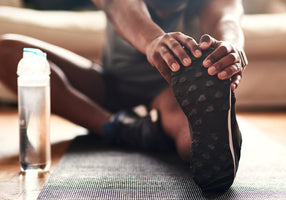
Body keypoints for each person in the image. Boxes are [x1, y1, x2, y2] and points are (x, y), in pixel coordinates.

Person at [0, 0, 247, 192]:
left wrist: (230, 49)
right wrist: (154, 41)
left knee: (192, 135)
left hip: (171, 91)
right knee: (7, 51)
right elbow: (120, 7)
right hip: (110, 85)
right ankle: (120, 126)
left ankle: (218, 136)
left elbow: (226, 19)